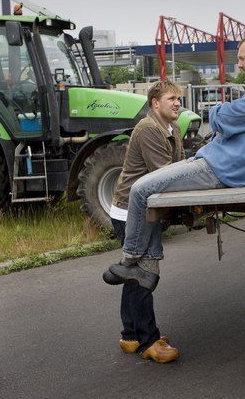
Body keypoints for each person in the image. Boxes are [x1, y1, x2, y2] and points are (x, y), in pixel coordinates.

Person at [106, 34, 245, 327]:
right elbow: (231, 123)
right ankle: (145, 269)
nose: (238, 64)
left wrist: (216, 112)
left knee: (141, 188)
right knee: (146, 189)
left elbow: (223, 119)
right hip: (216, 162)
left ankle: (131, 262)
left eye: (242, 58)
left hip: (220, 168)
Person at [101, 80, 185, 363]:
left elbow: (181, 166)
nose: (177, 103)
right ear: (154, 103)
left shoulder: (174, 129)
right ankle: (149, 341)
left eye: (179, 98)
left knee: (133, 274)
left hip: (147, 208)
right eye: (171, 98)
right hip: (132, 212)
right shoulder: (148, 129)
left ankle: (130, 335)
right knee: (143, 274)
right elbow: (166, 174)